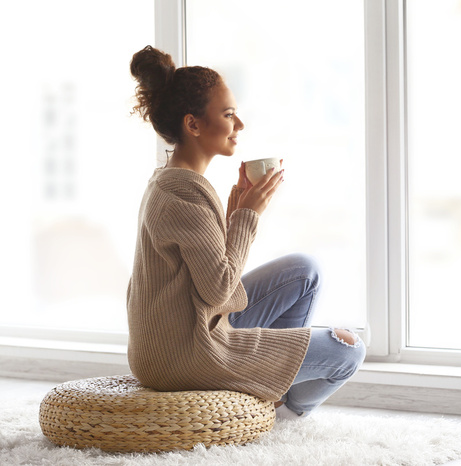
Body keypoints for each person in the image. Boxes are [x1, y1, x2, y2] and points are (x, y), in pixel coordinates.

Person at [126, 45, 366, 419]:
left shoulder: (171, 181)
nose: (239, 125)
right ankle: (282, 416)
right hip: (186, 355)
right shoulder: (183, 193)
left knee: (305, 271)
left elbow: (200, 274)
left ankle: (270, 393)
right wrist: (246, 218)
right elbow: (220, 288)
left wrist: (234, 211)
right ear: (193, 125)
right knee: (348, 350)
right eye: (229, 115)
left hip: (184, 331)